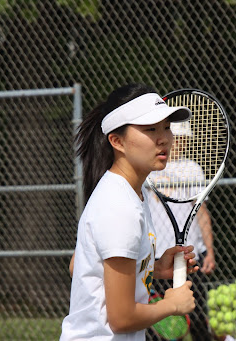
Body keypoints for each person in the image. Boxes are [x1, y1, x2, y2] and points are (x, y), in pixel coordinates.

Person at [60, 83, 200, 341]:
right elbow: (122, 318)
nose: (164, 138)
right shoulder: (119, 205)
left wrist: (154, 268)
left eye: (167, 127)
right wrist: (172, 305)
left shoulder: (132, 192)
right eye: (150, 129)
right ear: (117, 141)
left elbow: (76, 266)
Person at [146, 121, 216, 341]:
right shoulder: (150, 167)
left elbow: (202, 212)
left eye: (185, 139)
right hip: (157, 255)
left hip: (189, 254)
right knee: (157, 316)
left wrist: (210, 251)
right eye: (178, 137)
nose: (181, 143)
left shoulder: (192, 169)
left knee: (195, 314)